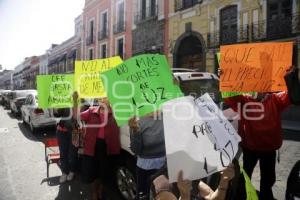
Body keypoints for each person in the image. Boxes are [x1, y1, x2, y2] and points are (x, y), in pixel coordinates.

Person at [223, 85, 291, 199]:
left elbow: (291, 96)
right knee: (246, 176)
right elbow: (230, 97)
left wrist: (291, 78)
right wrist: (226, 79)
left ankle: (265, 195)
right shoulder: (243, 100)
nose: (260, 90)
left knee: (268, 179)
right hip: (251, 148)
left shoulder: (275, 99)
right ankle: (241, 195)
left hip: (268, 149)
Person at [73, 92, 120, 200]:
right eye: (100, 98)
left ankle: (101, 191)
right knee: (93, 172)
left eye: (105, 97)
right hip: (92, 146)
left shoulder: (117, 112)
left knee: (104, 172)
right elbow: (76, 117)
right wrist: (75, 101)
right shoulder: (91, 111)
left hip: (108, 147)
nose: (102, 100)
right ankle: (94, 193)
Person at [129, 111, 166, 200]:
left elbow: (135, 150)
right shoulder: (137, 121)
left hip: (159, 166)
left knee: (152, 193)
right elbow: (136, 149)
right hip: (151, 167)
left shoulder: (138, 120)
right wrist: (135, 131)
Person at [153, 164, 235, 200]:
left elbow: (212, 197)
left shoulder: (190, 176)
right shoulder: (163, 186)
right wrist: (185, 194)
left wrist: (224, 181)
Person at [54, 108, 78, 183]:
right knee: (63, 152)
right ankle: (64, 172)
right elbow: (56, 115)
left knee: (73, 152)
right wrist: (55, 109)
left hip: (74, 131)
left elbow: (77, 116)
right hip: (61, 131)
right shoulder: (61, 99)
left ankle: (72, 171)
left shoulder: (78, 98)